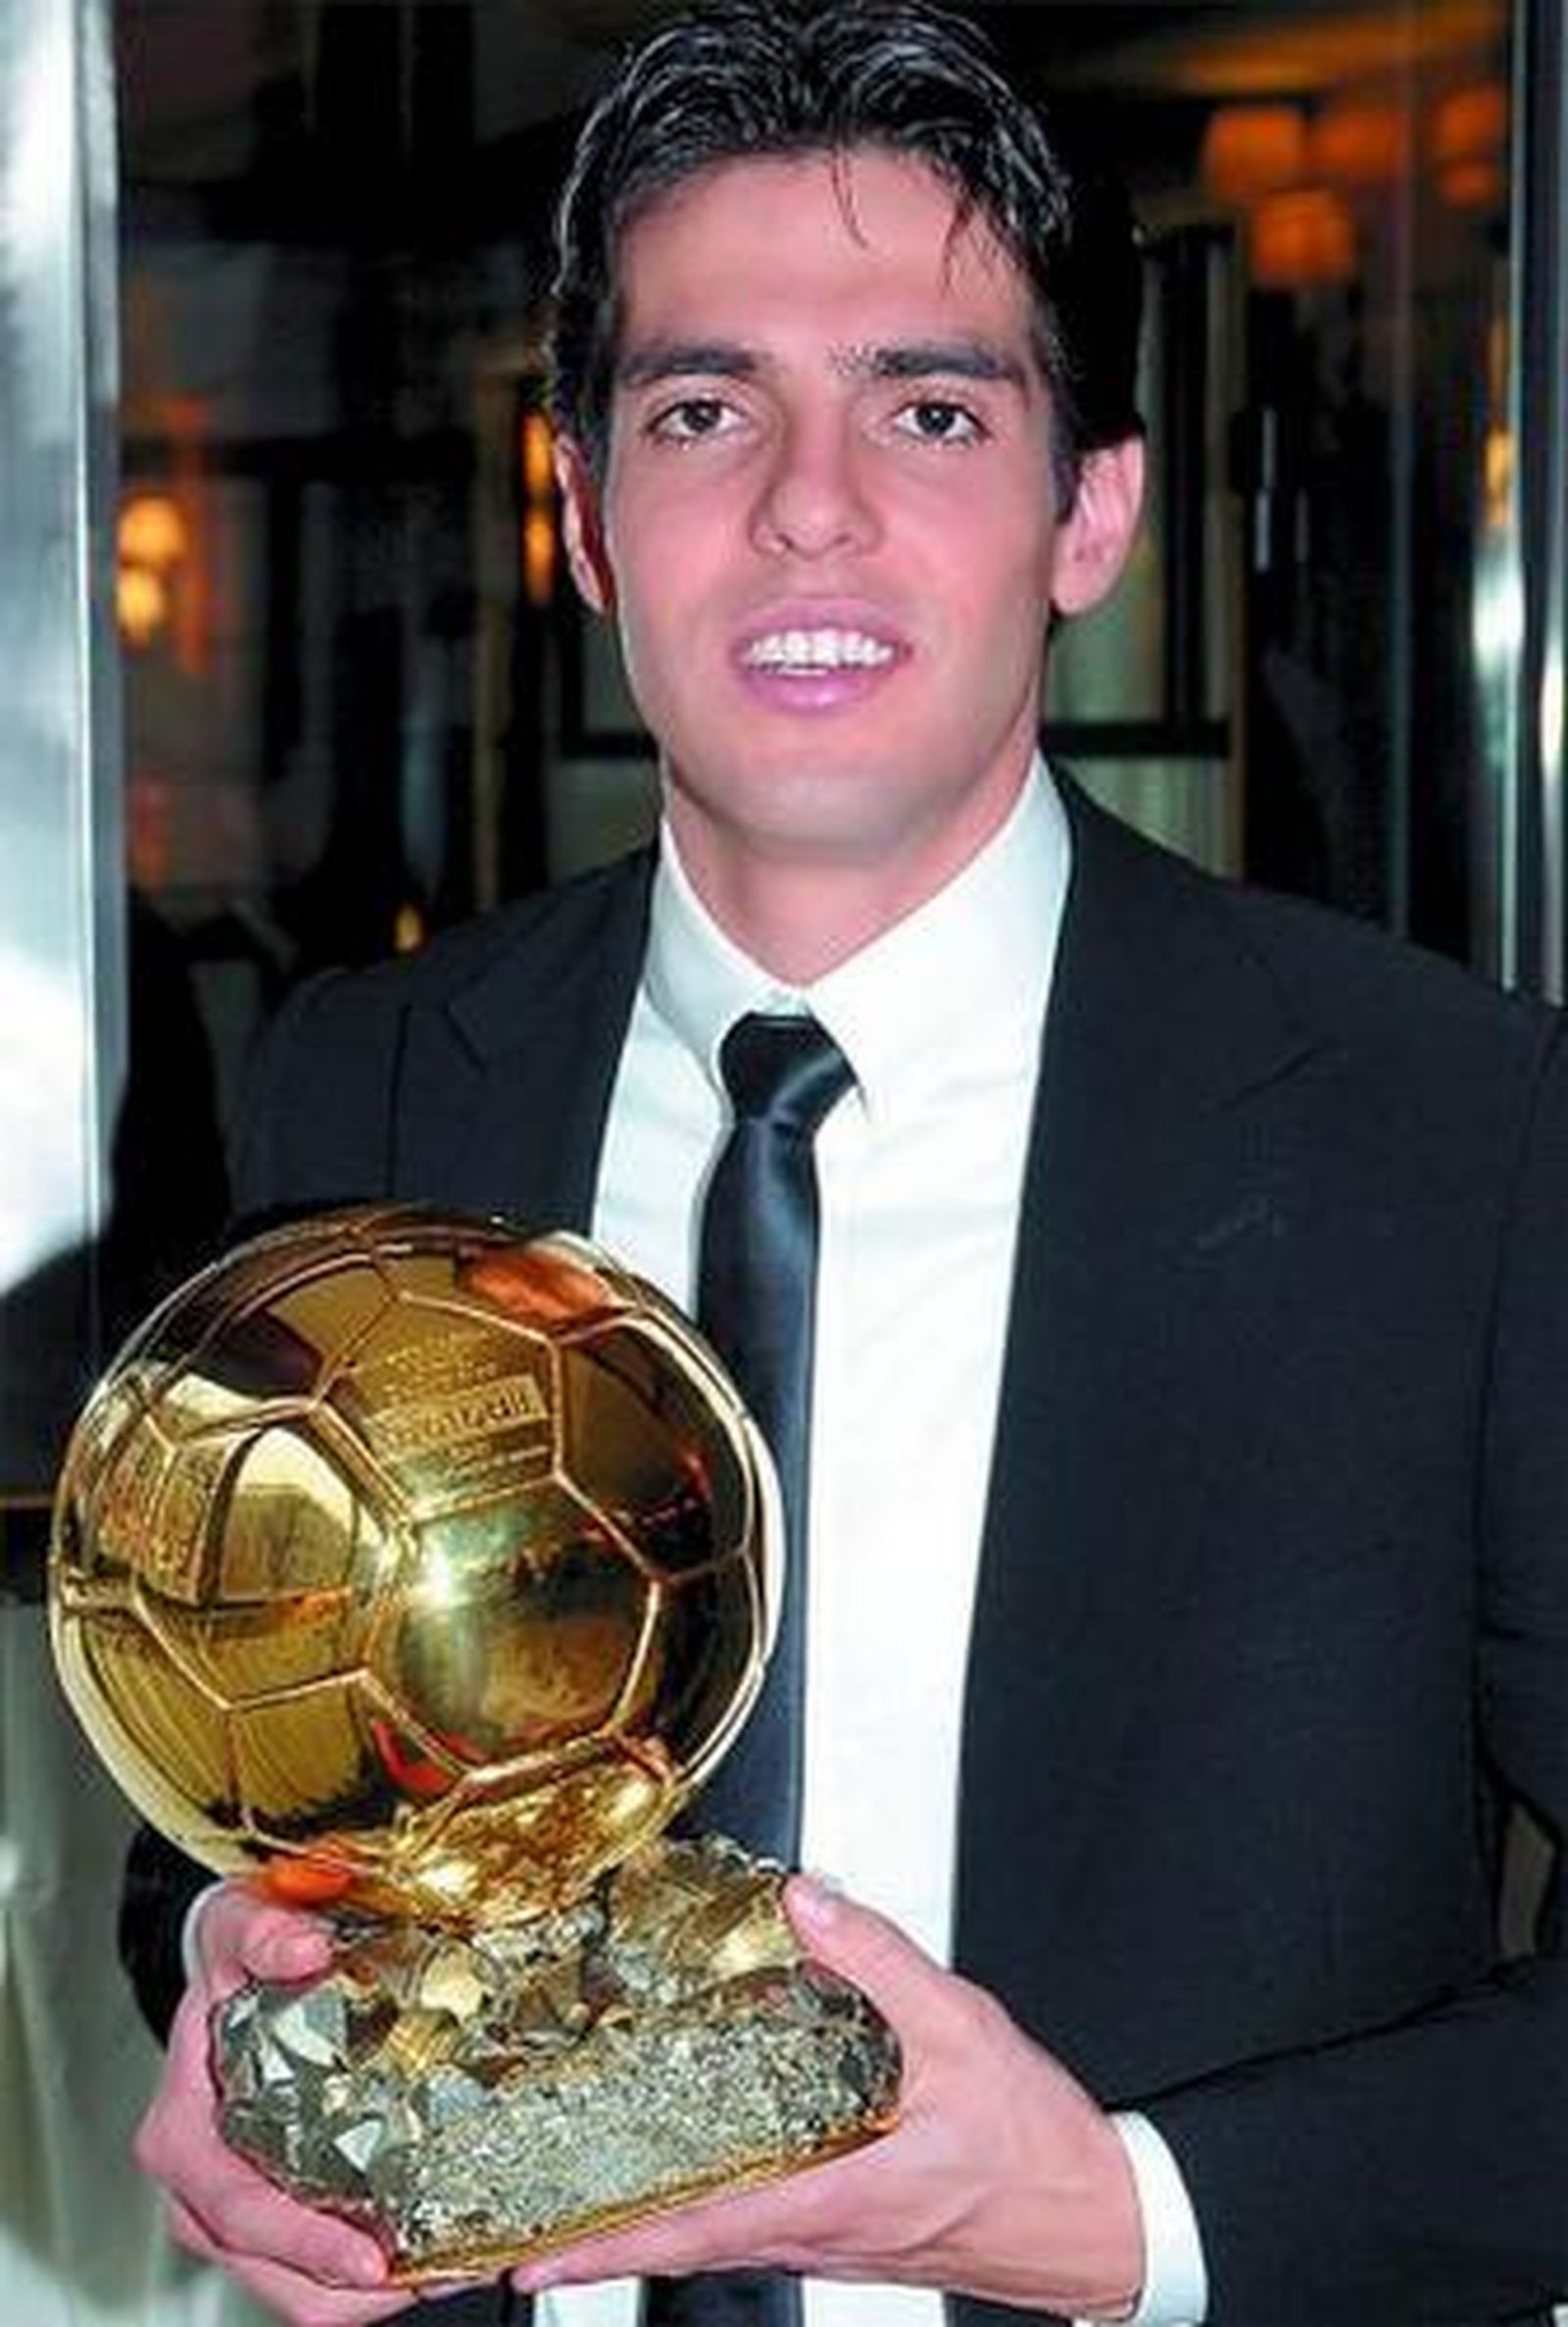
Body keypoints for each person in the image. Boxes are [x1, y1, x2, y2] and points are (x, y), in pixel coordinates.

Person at [122, 4, 1568, 2324]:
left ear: (1086, 505)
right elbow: (240, 1788)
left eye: (926, 407)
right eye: (705, 410)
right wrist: (220, 1964)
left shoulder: (1459, 1133)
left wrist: (1115, 2212)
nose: (809, 503)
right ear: (584, 512)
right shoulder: (374, 1079)